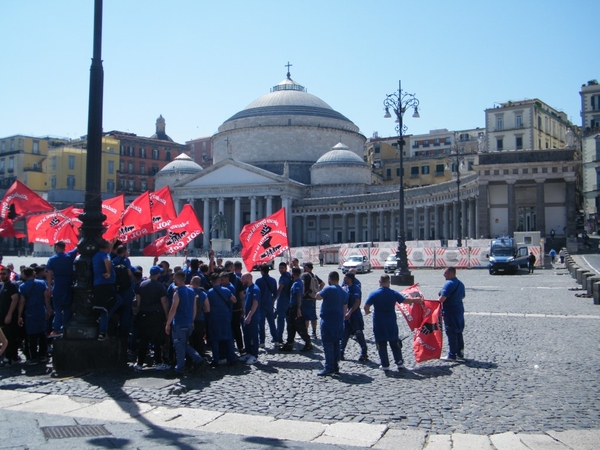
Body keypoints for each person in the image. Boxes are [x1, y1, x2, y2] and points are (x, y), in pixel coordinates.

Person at [364, 274, 422, 371]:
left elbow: (366, 307)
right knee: (394, 342)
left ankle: (385, 364)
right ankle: (399, 363)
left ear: (379, 282)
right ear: (389, 282)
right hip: (391, 321)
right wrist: (415, 300)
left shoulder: (374, 294)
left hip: (379, 322)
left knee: (381, 343)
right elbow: (405, 300)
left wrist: (367, 312)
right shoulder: (393, 293)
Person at [165, 271, 205, 376]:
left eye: (174, 279)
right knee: (184, 344)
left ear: (177, 279)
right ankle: (197, 359)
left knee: (179, 346)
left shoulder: (177, 293)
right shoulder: (192, 291)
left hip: (179, 323)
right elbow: (194, 308)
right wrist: (192, 321)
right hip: (188, 322)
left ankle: (180, 368)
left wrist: (168, 323)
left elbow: (173, 309)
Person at [134, 265, 170, 372]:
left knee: (143, 340)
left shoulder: (141, 284)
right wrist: (167, 315)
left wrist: (140, 310)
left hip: (144, 314)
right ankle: (158, 362)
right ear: (158, 274)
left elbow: (138, 300)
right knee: (157, 340)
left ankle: (139, 363)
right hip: (156, 315)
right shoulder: (160, 286)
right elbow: (164, 301)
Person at [18, 267, 52, 365]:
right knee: (42, 334)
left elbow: (22, 302)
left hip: (30, 312)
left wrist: (19, 315)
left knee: (31, 336)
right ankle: (43, 355)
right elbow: (46, 297)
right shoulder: (41, 283)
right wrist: (48, 309)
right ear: (33, 273)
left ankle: (33, 356)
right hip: (41, 309)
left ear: (25, 274)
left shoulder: (23, 286)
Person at [315, 271, 347, 376]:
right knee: (336, 344)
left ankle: (329, 367)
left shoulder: (328, 289)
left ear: (330, 279)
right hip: (338, 321)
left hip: (328, 321)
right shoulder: (344, 292)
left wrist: (319, 288)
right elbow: (344, 308)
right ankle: (335, 365)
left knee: (328, 344)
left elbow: (318, 297)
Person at [92, 240, 122, 341]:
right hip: (106, 285)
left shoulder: (96, 255)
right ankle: (103, 331)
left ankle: (102, 325)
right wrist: (109, 272)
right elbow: (107, 260)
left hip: (98, 285)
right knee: (111, 305)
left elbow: (106, 255)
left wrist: (112, 244)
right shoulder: (105, 256)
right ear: (106, 248)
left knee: (103, 307)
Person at [206, 272, 237, 367]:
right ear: (219, 280)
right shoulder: (226, 290)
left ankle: (216, 359)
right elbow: (234, 300)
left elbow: (206, 306)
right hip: (225, 316)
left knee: (215, 339)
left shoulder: (209, 292)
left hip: (214, 317)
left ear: (211, 282)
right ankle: (231, 358)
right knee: (228, 337)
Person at [281, 267, 312, 352]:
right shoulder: (298, 282)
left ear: (293, 274)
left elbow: (298, 296)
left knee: (299, 326)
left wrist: (298, 309)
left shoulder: (297, 284)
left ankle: (308, 343)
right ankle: (289, 343)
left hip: (295, 308)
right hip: (292, 307)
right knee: (291, 326)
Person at [438, 267, 466, 361]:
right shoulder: (461, 284)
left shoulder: (449, 284)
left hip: (450, 311)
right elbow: (463, 296)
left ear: (451, 273)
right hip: (459, 310)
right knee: (459, 331)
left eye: (445, 273)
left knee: (451, 332)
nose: (444, 275)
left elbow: (442, 299)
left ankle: (452, 354)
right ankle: (460, 352)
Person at [340, 272, 368, 362]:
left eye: (346, 278)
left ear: (350, 279)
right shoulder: (346, 288)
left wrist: (350, 313)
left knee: (359, 334)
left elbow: (357, 302)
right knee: (345, 334)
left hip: (354, 315)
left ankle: (364, 353)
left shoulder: (355, 288)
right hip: (347, 315)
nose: (344, 279)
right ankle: (341, 352)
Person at [0, 266, 21, 366]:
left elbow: (15, 299)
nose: (2, 275)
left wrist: (9, 314)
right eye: (1, 274)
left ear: (9, 274)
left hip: (8, 316)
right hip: (2, 316)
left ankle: (10, 357)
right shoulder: (2, 285)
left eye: (4, 274)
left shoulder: (11, 286)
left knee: (9, 338)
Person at [255, 264, 278, 349]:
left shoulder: (258, 281)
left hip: (261, 305)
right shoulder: (273, 280)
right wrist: (273, 301)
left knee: (261, 324)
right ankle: (276, 340)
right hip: (269, 304)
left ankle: (262, 341)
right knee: (272, 323)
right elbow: (275, 294)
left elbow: (257, 294)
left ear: (262, 271)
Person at [240, 272, 260, 365]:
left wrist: (249, 316)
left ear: (248, 278)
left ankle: (254, 355)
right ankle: (248, 352)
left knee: (253, 335)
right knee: (247, 335)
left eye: (243, 278)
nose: (241, 280)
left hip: (253, 317)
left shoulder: (255, 289)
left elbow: (255, 303)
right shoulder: (248, 288)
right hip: (247, 316)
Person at [301, 262, 324, 339]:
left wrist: (302, 294)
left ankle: (305, 333)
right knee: (313, 316)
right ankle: (314, 333)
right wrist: (317, 291)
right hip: (313, 299)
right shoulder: (314, 275)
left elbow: (303, 284)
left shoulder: (304, 275)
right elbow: (323, 284)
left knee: (305, 317)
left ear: (307, 267)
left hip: (306, 298)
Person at [275, 262, 292, 345]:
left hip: (282, 301)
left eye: (282, 268)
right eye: (280, 268)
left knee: (280, 319)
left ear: (285, 268)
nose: (280, 270)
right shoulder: (289, 275)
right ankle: (290, 337)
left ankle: (279, 337)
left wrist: (275, 298)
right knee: (288, 320)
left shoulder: (283, 278)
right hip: (289, 300)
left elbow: (280, 288)